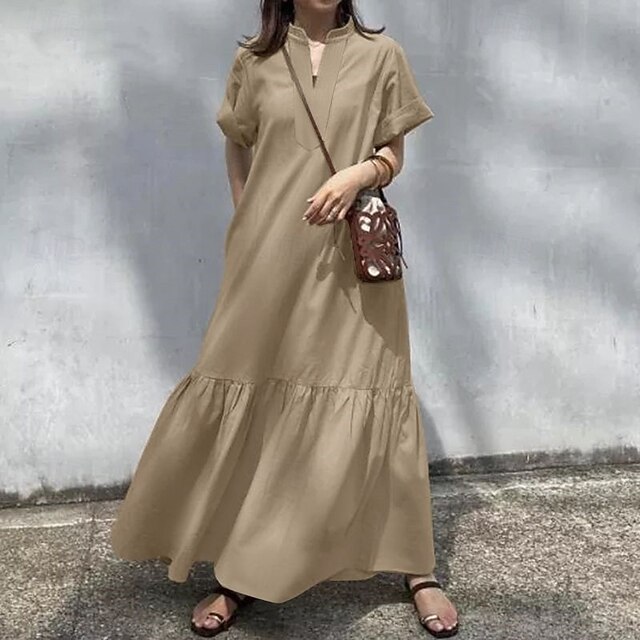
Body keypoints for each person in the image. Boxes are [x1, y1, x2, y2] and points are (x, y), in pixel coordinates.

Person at [110, 0, 459, 637]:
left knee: (374, 388)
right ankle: (239, 570)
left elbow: (394, 154)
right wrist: (247, 225)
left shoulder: (382, 56)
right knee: (258, 388)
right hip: (268, 259)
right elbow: (238, 147)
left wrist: (357, 174)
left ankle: (417, 567)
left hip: (351, 264)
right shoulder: (254, 62)